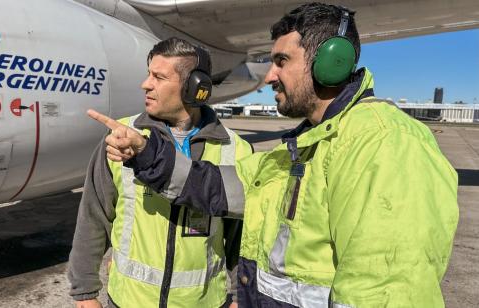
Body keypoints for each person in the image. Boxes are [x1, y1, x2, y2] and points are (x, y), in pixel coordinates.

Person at [93, 3, 459, 307]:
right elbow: (215, 187)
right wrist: (145, 152)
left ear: (329, 62)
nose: (269, 76)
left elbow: (385, 291)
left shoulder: (383, 142)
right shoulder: (300, 150)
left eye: (282, 61)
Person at [68, 37, 253, 308]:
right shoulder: (121, 136)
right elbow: (93, 216)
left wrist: (240, 295)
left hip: (204, 303)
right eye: (148, 74)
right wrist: (84, 293)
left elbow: (242, 237)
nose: (146, 84)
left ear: (194, 87)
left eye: (158, 77)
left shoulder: (236, 149)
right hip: (128, 301)